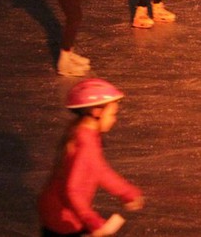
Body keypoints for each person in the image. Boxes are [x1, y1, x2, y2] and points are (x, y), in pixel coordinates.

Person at [38, 78, 144, 236]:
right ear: (96, 112)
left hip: (63, 211)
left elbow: (99, 170)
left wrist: (126, 192)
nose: (114, 119)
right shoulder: (85, 145)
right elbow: (72, 190)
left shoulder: (85, 134)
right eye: (112, 114)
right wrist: (93, 221)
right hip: (63, 218)